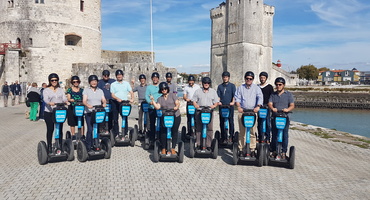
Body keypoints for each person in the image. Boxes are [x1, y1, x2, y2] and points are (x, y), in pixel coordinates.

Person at [234, 71, 263, 157]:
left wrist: (258, 106)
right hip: (243, 112)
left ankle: (252, 149)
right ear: (245, 79)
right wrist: (238, 107)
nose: (248, 80)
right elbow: (237, 98)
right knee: (242, 132)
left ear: (253, 79)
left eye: (250, 79)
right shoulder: (240, 88)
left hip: (252, 113)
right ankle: (241, 149)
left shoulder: (256, 88)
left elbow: (260, 97)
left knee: (252, 132)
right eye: (247, 78)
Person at [151, 82, 181, 155]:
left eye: (165, 88)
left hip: (175, 115)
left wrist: (176, 107)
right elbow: (157, 107)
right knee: (163, 131)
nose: (164, 90)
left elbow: (177, 103)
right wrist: (152, 100)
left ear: (167, 89)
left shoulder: (173, 95)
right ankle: (164, 148)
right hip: (165, 116)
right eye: (162, 89)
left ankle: (173, 148)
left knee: (174, 131)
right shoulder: (160, 98)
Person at [268, 77, 295, 159]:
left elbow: (292, 105)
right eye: (277, 85)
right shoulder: (273, 94)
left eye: (280, 84)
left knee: (284, 135)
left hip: (284, 117)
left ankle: (283, 152)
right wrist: (272, 108)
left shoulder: (288, 94)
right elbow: (270, 103)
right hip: (275, 117)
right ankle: (274, 151)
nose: (278, 86)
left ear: (283, 85)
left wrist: (287, 109)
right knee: (274, 134)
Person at [43, 73, 68, 153]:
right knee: (50, 129)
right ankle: (49, 145)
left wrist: (66, 102)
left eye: (56, 80)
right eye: (52, 80)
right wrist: (49, 103)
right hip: (49, 112)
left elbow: (64, 98)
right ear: (50, 81)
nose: (54, 81)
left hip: (59, 111)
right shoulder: (46, 90)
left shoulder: (60, 90)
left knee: (60, 129)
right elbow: (45, 99)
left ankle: (60, 145)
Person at [192, 77, 219, 149]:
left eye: (208, 83)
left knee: (209, 128)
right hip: (200, 111)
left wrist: (213, 106)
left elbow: (216, 102)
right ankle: (198, 143)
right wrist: (196, 105)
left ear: (209, 84)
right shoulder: (198, 91)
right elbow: (194, 100)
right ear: (202, 83)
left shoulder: (213, 91)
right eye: (205, 83)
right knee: (199, 128)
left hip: (209, 112)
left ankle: (209, 144)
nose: (206, 84)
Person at [83, 75, 107, 151]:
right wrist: (87, 105)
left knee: (97, 129)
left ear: (97, 82)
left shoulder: (100, 91)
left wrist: (104, 103)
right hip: (89, 113)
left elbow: (103, 99)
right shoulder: (86, 90)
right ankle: (88, 145)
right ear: (90, 82)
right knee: (90, 129)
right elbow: (84, 100)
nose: (94, 82)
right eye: (92, 81)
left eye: (95, 81)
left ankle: (96, 143)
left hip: (97, 113)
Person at [110, 69, 134, 139]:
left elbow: (131, 92)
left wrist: (132, 99)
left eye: (120, 75)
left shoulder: (126, 84)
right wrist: (117, 99)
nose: (119, 76)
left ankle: (125, 133)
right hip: (115, 102)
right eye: (118, 75)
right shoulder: (113, 84)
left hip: (124, 102)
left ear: (122, 76)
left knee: (124, 117)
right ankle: (116, 133)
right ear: (116, 76)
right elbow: (112, 94)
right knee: (115, 119)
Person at [217, 71, 236, 144]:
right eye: (224, 77)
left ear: (229, 78)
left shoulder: (232, 86)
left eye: (226, 77)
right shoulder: (220, 86)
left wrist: (233, 102)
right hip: (222, 106)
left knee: (230, 121)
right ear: (222, 78)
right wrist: (219, 102)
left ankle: (231, 136)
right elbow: (218, 96)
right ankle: (223, 136)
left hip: (229, 106)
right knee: (222, 122)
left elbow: (234, 95)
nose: (225, 78)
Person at [145, 72, 162, 145]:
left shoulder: (160, 87)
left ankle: (160, 138)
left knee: (161, 123)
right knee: (152, 123)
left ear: (158, 79)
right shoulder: (149, 87)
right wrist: (150, 102)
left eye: (156, 78)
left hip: (160, 108)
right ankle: (152, 139)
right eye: (154, 78)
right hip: (151, 107)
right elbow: (146, 96)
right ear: (152, 79)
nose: (155, 79)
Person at [257, 71, 274, 143]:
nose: (262, 79)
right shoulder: (257, 87)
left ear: (266, 78)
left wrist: (270, 105)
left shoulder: (269, 87)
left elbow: (272, 97)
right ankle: (260, 136)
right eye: (261, 77)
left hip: (267, 107)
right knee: (259, 122)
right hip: (259, 107)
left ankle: (267, 137)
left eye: (264, 78)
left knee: (267, 122)